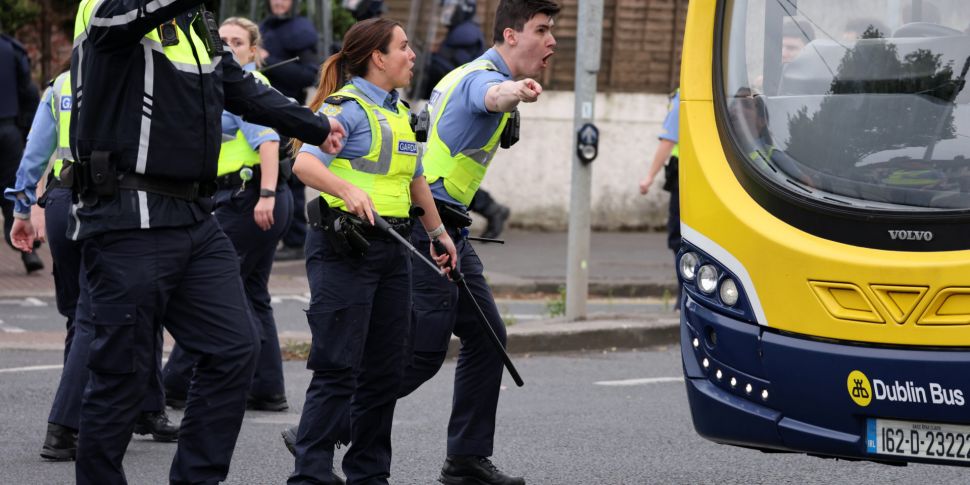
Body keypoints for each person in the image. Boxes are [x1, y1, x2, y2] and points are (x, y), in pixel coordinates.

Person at [10, 1, 343, 483]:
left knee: (233, 349)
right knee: (120, 376)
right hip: (128, 216)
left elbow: (239, 87)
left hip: (194, 217)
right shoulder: (107, 7)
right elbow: (112, 25)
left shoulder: (196, 21)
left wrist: (314, 125)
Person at [286, 17, 457, 484]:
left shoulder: (399, 112)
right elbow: (303, 162)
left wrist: (438, 233)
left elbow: (414, 178)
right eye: (404, 47)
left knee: (384, 372)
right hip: (345, 247)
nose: (412, 55)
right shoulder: (348, 106)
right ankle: (311, 474)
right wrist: (346, 189)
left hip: (394, 247)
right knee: (338, 367)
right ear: (378, 58)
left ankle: (368, 475)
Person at [5, 68, 180, 461]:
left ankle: (146, 408)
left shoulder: (61, 84)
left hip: (62, 197)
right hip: (113, 201)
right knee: (104, 314)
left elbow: (35, 153)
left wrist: (21, 208)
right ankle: (65, 428)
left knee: (89, 314)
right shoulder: (140, 73)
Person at [162, 16, 293, 413]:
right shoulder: (225, 83)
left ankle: (175, 383)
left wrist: (265, 194)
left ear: (253, 52)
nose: (228, 47)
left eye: (237, 42)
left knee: (208, 291)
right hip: (251, 198)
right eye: (221, 41)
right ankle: (267, 387)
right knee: (252, 295)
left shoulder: (244, 87)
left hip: (248, 199)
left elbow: (268, 142)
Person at [260, 0, 322, 262]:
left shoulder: (301, 31)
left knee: (291, 177)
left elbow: (309, 75)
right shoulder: (264, 28)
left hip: (288, 113)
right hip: (259, 110)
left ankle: (296, 239)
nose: (278, 2)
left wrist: (270, 60)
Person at [0, 30, 43, 273]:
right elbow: (28, 93)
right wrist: (25, 130)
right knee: (12, 191)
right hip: (8, 132)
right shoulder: (11, 49)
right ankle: (29, 252)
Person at [639, 88, 680, 303]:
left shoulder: (684, 96)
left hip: (685, 176)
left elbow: (669, 140)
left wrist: (649, 176)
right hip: (697, 174)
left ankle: (684, 296)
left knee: (678, 237)